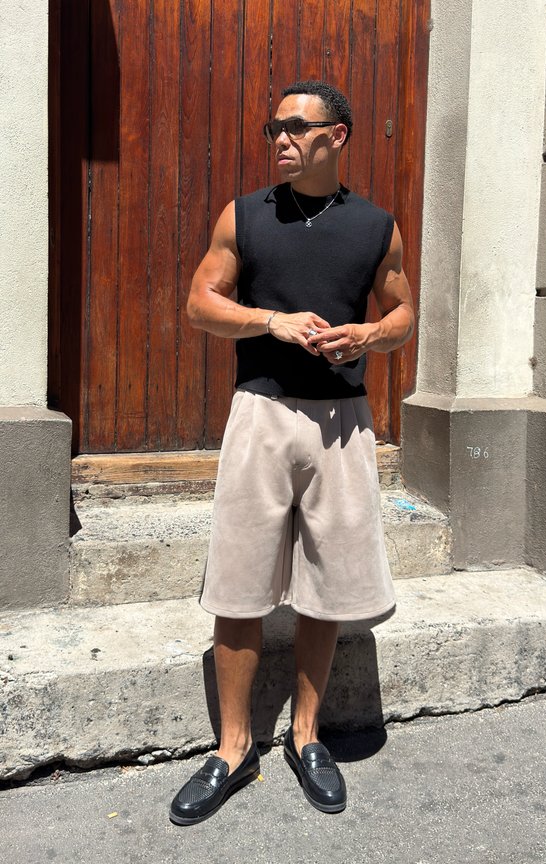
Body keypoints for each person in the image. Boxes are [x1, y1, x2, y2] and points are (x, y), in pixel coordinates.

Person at [169, 79, 414, 825]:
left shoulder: (376, 226)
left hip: (342, 421)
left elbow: (404, 310)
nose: (279, 139)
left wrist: (369, 335)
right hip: (263, 415)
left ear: (336, 137)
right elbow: (198, 303)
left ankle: (307, 737)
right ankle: (232, 747)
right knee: (240, 585)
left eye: (296, 128)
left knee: (328, 587)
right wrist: (268, 322)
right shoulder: (245, 215)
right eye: (273, 127)